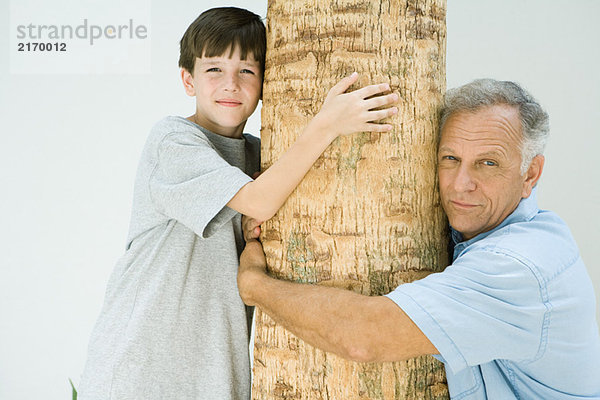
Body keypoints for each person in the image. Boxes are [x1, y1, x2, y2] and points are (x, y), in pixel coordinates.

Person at [78, 7, 398, 400]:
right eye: (214, 69)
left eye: (246, 71)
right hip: (142, 367)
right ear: (187, 79)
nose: (230, 84)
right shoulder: (173, 141)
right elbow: (260, 202)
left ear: (265, 81)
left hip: (215, 371)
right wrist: (327, 123)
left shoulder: (261, 156)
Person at [238, 79, 600, 399]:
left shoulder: (518, 265)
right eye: (450, 158)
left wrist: (255, 285)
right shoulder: (490, 229)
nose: (461, 184)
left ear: (530, 173)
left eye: (487, 163)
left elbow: (365, 336)